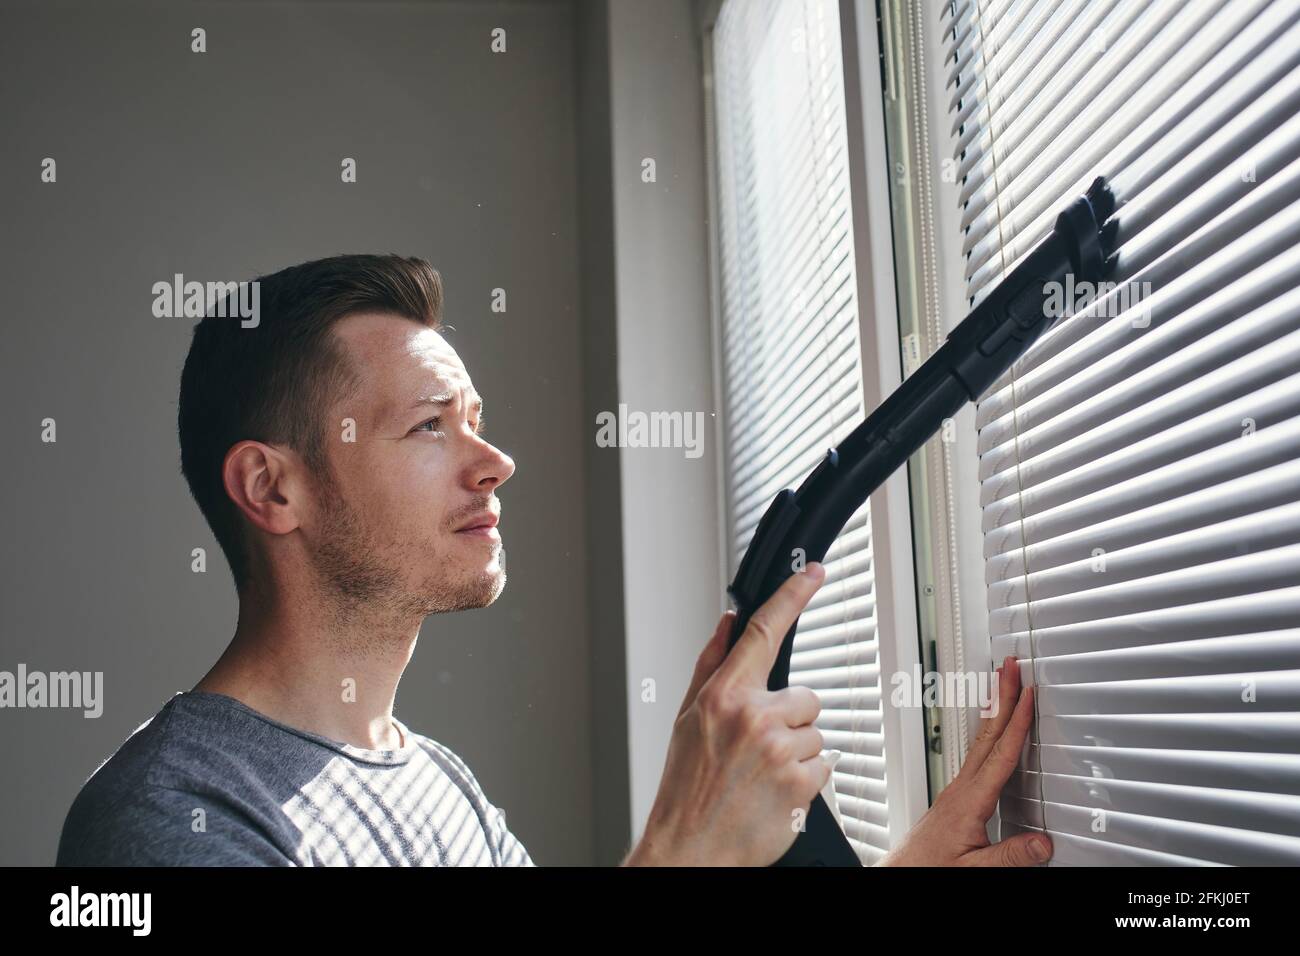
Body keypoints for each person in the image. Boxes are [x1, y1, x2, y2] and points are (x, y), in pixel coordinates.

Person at [56, 254, 1051, 867]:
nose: (495, 463)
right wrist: (681, 847)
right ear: (274, 489)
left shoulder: (437, 787)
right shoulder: (165, 819)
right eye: (429, 427)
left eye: (477, 424)